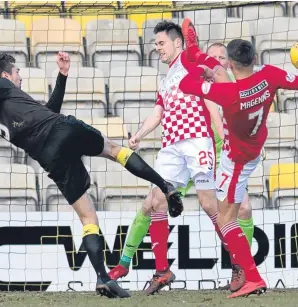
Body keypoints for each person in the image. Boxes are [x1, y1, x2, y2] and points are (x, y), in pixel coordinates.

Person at [0, 51, 185, 299]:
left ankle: (102, 278)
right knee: (114, 150)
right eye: (16, 72)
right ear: (4, 75)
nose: (20, 76)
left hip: (49, 158)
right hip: (60, 130)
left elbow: (50, 109)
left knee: (88, 216)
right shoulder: (0, 87)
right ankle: (165, 186)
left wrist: (63, 76)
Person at [178, 35, 298, 298]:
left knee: (225, 219)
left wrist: (200, 67)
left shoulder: (227, 93)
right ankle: (248, 276)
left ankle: (252, 277)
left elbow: (187, 84)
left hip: (236, 161)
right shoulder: (269, 76)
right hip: (254, 149)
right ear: (254, 58)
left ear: (231, 65)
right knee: (229, 213)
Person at [108, 41, 255, 293]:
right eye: (212, 57)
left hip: (220, 157)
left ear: (228, 63)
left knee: (242, 208)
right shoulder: (199, 83)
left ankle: (239, 267)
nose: (217, 60)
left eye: (222, 57)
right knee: (151, 202)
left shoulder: (233, 88)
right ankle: (125, 263)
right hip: (194, 152)